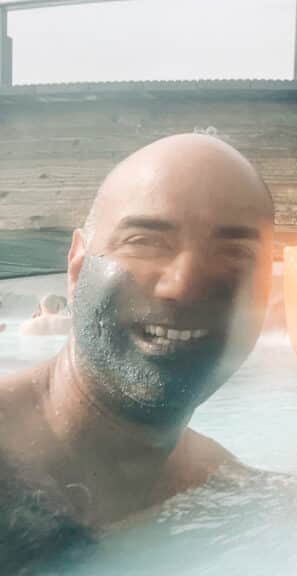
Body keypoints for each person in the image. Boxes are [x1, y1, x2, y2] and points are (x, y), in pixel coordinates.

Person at [0, 134, 275, 569]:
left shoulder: (226, 488)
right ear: (76, 267)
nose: (183, 287)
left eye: (234, 253)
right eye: (145, 241)